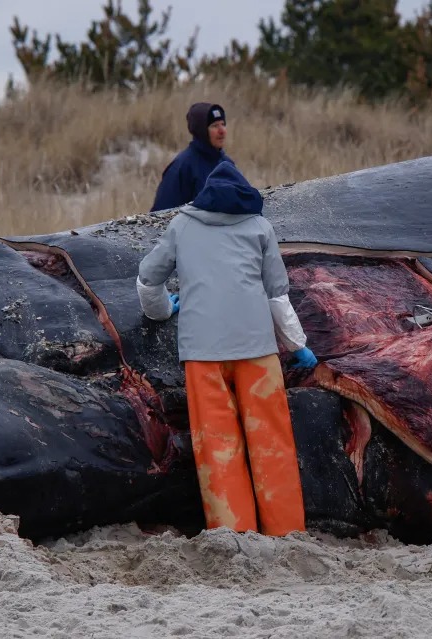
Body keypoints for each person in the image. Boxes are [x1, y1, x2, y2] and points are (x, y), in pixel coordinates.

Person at [136, 160, 318, 536]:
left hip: (203, 353)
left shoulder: (182, 225)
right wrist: (297, 345)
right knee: (272, 439)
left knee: (217, 444)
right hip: (257, 350)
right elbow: (276, 296)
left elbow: (147, 279)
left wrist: (161, 312)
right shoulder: (259, 226)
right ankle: (286, 531)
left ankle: (234, 535)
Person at [150, 102, 234, 211]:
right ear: (201, 131)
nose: (222, 131)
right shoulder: (182, 167)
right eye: (215, 126)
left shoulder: (227, 164)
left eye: (223, 124)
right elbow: (162, 213)